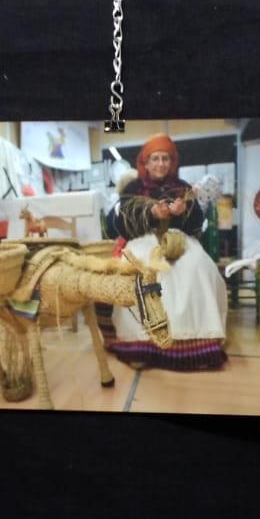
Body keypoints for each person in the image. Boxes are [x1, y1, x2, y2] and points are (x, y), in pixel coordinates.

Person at [104, 135, 229, 370]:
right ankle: (142, 340)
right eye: (155, 159)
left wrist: (183, 212)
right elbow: (120, 224)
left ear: (172, 162)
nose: (160, 164)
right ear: (145, 162)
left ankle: (194, 337)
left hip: (178, 241)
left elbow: (196, 225)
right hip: (143, 240)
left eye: (165, 158)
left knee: (196, 264)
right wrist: (151, 214)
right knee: (142, 270)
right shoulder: (132, 188)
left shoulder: (182, 187)